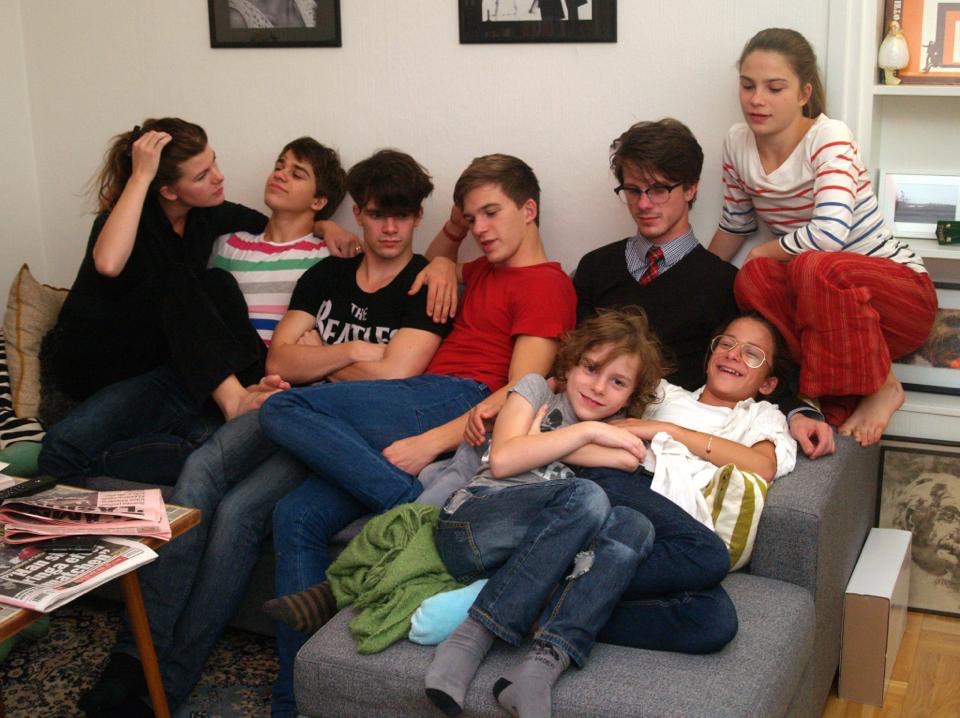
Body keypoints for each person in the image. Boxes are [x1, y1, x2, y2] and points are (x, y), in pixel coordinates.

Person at [78, 148, 450, 718]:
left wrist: (319, 357)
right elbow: (279, 357)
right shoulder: (326, 274)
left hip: (334, 432)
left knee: (240, 513)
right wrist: (354, 351)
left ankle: (164, 686)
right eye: (377, 214)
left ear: (419, 216)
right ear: (358, 213)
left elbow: (396, 377)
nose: (390, 228)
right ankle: (134, 657)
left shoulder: (425, 284)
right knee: (199, 471)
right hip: (283, 404)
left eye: (402, 215)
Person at [258, 153, 577, 716]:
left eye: (492, 213)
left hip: (457, 399)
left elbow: (522, 390)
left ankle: (410, 505)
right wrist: (447, 255)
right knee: (294, 515)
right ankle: (294, 700)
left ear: (529, 210)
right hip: (415, 398)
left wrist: (432, 444)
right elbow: (432, 259)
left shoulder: (547, 284)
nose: (481, 229)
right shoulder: (478, 268)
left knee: (282, 407)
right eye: (471, 218)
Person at [38, 134, 348, 486]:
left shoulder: (324, 258)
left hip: (250, 375)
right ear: (170, 190)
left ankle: (215, 421)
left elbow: (288, 228)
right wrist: (140, 176)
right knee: (59, 449)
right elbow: (109, 264)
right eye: (202, 175)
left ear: (319, 200)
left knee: (213, 283)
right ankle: (226, 407)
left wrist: (325, 225)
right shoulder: (223, 241)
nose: (219, 177)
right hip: (166, 365)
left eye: (296, 173)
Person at [423, 308, 660, 717]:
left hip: (529, 553)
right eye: (591, 368)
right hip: (471, 521)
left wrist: (542, 440)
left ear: (630, 396)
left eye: (618, 382)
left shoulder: (618, 431)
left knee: (636, 526)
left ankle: (541, 666)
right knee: (586, 496)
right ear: (569, 364)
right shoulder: (536, 390)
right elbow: (504, 459)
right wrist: (586, 432)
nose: (599, 387)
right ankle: (470, 638)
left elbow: (629, 460)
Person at [707, 28, 938, 447]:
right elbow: (735, 224)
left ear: (804, 93)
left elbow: (829, 235)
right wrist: (696, 280)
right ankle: (832, 394)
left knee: (811, 264)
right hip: (829, 307)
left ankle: (882, 385)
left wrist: (764, 250)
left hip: (900, 296)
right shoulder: (736, 143)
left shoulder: (829, 137)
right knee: (751, 279)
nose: (757, 99)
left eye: (774, 88)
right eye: (748, 85)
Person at [574, 117, 834, 460]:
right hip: (588, 420)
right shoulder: (595, 267)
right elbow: (569, 354)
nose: (644, 204)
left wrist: (798, 412)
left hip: (666, 439)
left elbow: (751, 366)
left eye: (659, 189)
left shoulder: (723, 283)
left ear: (690, 189)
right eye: (633, 191)